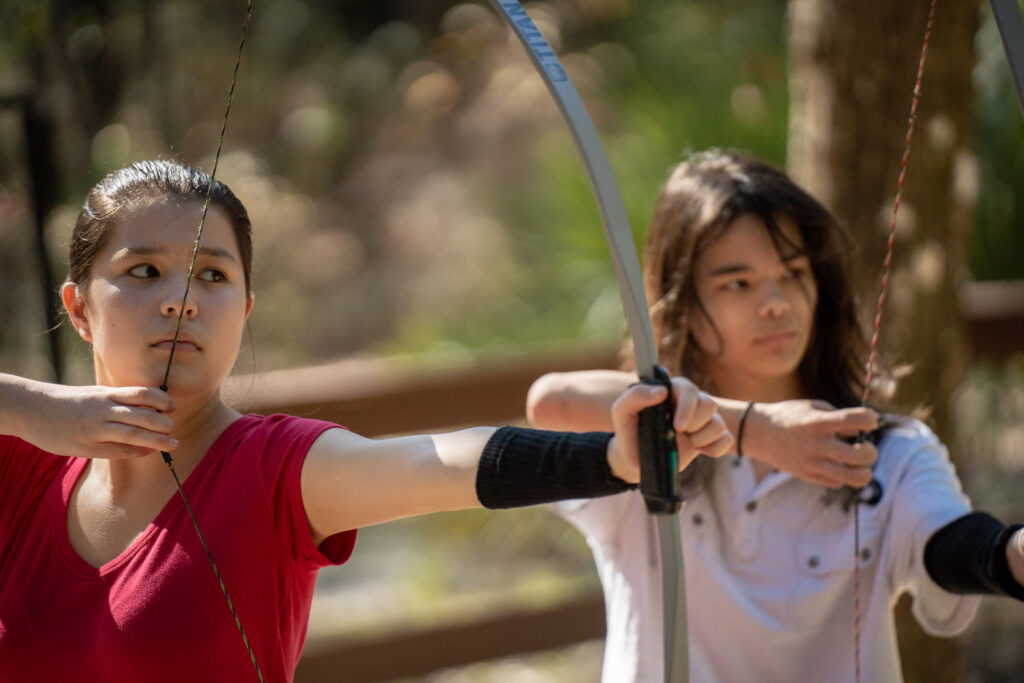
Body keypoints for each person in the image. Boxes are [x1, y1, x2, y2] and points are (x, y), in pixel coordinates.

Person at [0, 159, 741, 681]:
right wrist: (32, 407)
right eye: (143, 271)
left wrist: (606, 459)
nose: (181, 299)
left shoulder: (272, 467)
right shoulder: (24, 465)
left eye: (214, 275)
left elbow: (435, 461)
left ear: (245, 311)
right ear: (78, 309)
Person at [526, 150, 1024, 682]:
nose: (776, 303)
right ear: (684, 306)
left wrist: (1014, 552)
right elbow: (550, 403)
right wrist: (755, 431)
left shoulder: (885, 448)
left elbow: (952, 546)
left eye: (792, 272)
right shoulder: (645, 441)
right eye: (737, 283)